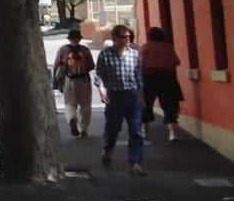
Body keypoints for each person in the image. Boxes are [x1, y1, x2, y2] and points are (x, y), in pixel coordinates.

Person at [95, 24, 147, 175]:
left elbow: (139, 78)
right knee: (113, 129)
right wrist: (102, 91)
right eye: (124, 37)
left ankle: (135, 162)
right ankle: (107, 150)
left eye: (129, 36)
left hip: (132, 96)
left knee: (137, 130)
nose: (127, 39)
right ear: (115, 38)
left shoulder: (134, 55)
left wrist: (141, 97)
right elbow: (99, 75)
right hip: (115, 96)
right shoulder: (105, 54)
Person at [140, 26, 184, 142]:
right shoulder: (168, 47)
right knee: (170, 106)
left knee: (146, 104)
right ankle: (173, 133)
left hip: (150, 78)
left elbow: (141, 63)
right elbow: (177, 62)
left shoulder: (146, 47)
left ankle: (144, 131)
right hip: (167, 78)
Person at [53, 29, 95, 138]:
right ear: (80, 39)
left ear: (69, 39)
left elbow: (57, 65)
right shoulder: (85, 50)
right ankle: (83, 128)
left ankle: (72, 118)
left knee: (70, 103)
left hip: (69, 79)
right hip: (84, 79)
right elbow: (91, 65)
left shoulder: (63, 50)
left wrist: (56, 83)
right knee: (85, 105)